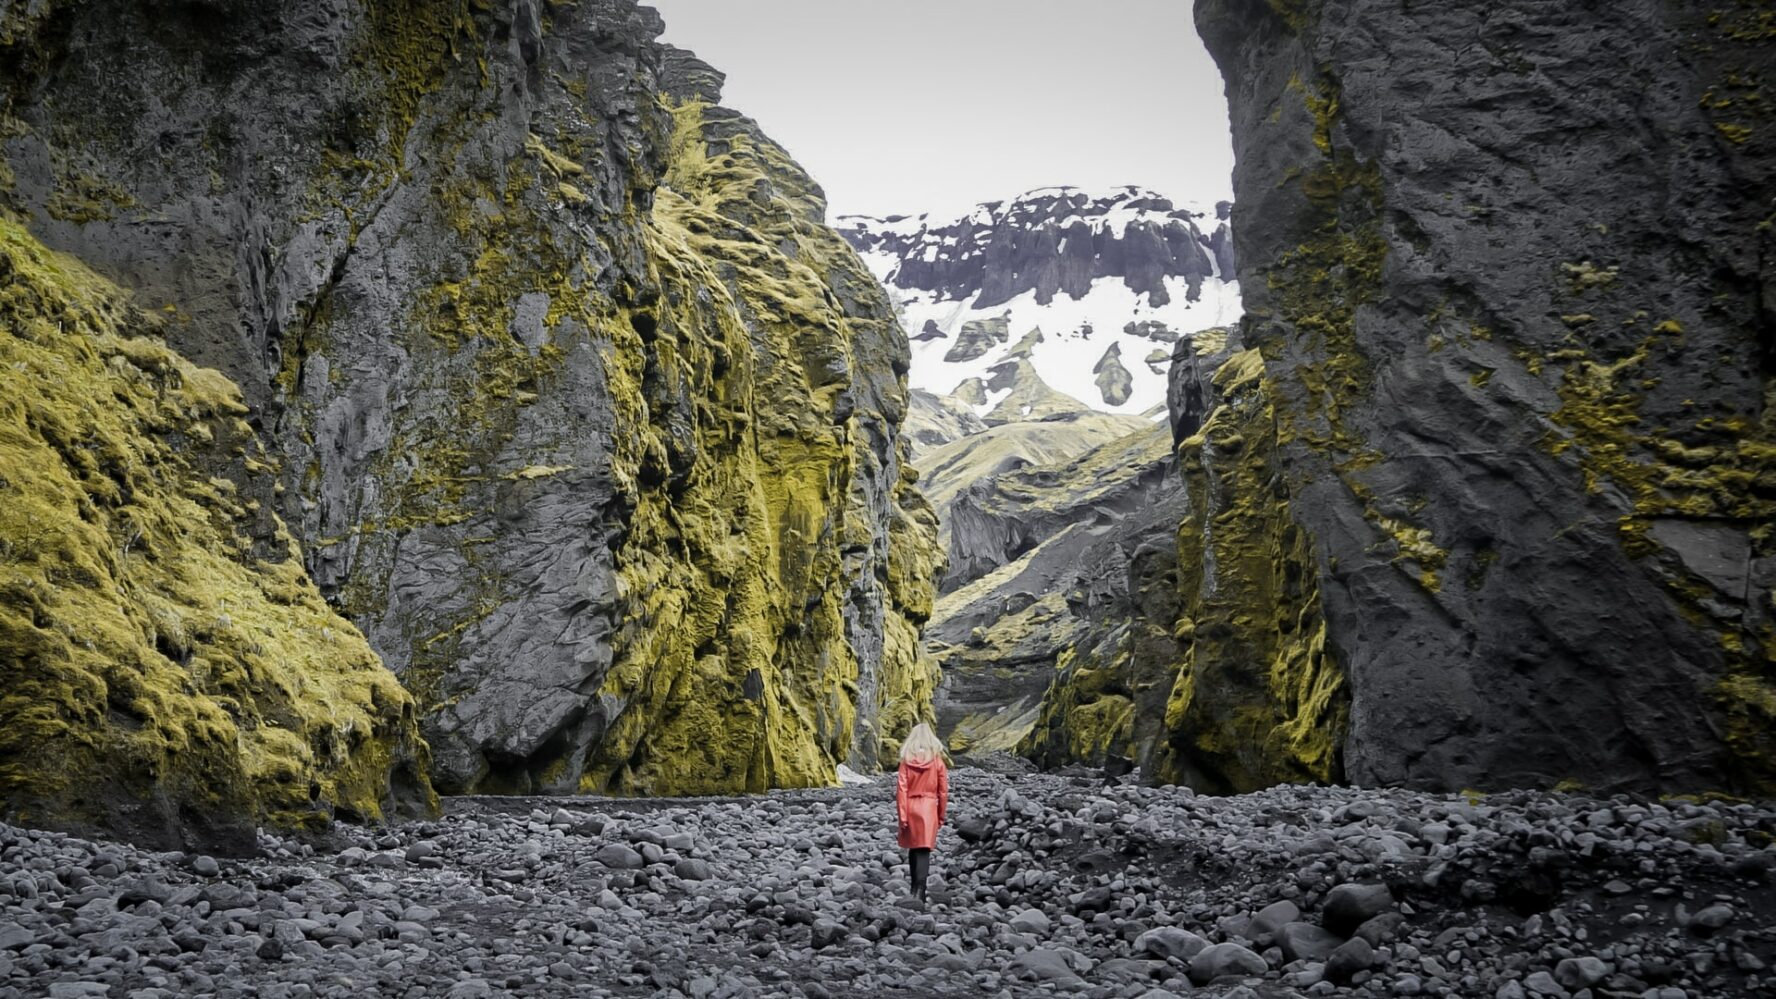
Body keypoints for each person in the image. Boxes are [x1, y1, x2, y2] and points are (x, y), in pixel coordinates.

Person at [895, 722, 949, 902]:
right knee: (924, 849)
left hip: (911, 806)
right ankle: (921, 891)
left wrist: (902, 816)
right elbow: (943, 791)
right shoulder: (937, 761)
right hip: (928, 808)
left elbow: (901, 789)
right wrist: (941, 814)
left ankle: (913, 889)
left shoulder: (906, 761)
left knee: (913, 847)